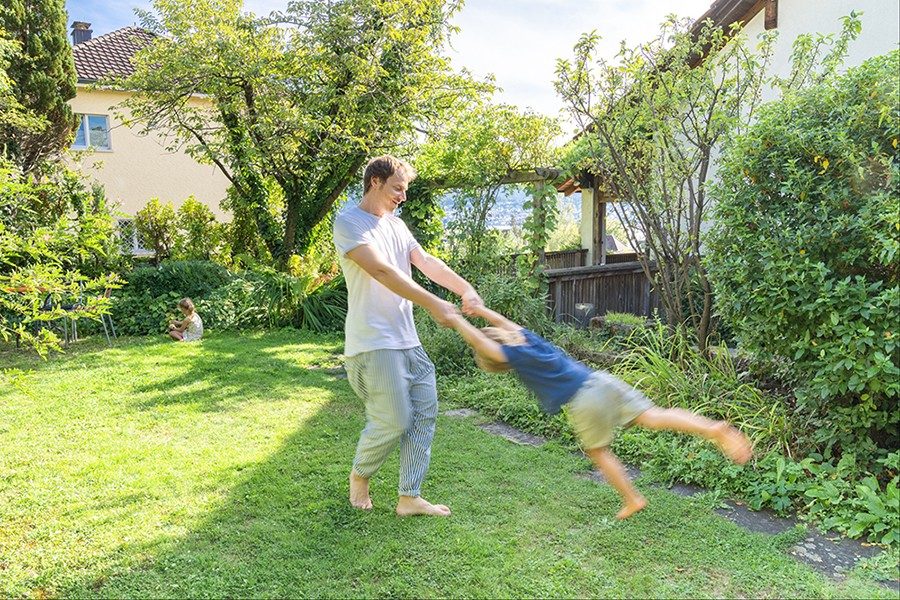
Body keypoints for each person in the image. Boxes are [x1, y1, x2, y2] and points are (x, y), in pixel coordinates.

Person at [449, 305, 752, 520]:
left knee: (598, 452)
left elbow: (481, 343)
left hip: (582, 399)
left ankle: (633, 498)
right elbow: (502, 323)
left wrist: (456, 321)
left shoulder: (514, 357)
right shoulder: (527, 338)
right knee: (655, 415)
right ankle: (712, 429)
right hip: (601, 380)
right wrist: (480, 310)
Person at [333, 155, 483, 517]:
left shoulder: (397, 227)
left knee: (425, 413)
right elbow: (383, 272)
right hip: (373, 342)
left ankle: (409, 497)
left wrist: (465, 289)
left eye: (405, 189)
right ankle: (360, 476)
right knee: (395, 419)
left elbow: (428, 262)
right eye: (398, 188)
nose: (403, 196)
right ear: (376, 182)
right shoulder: (349, 222)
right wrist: (435, 304)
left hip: (407, 340)